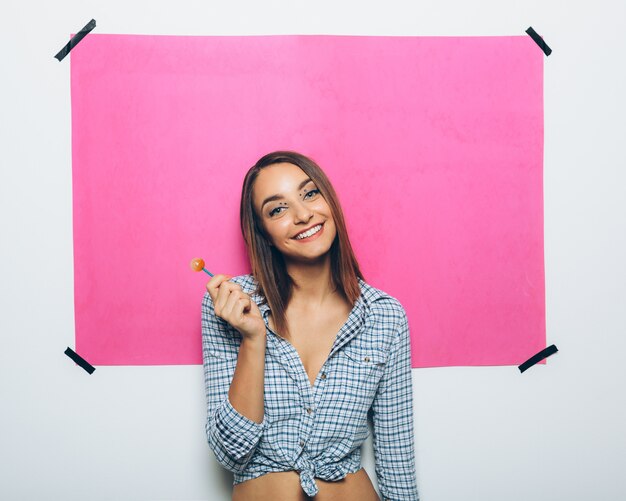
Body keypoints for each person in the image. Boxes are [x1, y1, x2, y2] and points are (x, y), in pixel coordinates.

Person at [201, 151, 419, 501]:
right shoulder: (232, 307)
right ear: (264, 234)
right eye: (278, 209)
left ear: (329, 201)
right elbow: (231, 451)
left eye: (310, 193)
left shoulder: (385, 316)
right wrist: (253, 339)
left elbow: (396, 456)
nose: (303, 215)